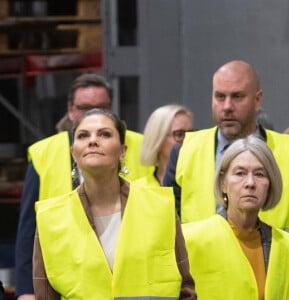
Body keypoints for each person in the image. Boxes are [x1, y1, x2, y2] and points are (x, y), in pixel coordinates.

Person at [32, 108, 196, 300]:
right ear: (73, 153)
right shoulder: (50, 217)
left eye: (104, 134)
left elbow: (186, 288)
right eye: (83, 135)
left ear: (122, 151)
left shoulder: (160, 207)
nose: (93, 140)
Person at [15, 73, 152, 300]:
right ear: (70, 111)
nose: (93, 114)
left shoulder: (142, 147)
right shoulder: (43, 153)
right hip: (67, 277)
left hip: (130, 276)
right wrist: (25, 291)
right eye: (84, 107)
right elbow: (28, 230)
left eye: (101, 106)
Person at [163, 60, 289, 239]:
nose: (227, 107)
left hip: (274, 262)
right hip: (203, 264)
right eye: (220, 96)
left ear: (257, 100)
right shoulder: (184, 152)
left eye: (237, 97)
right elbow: (169, 228)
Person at [183, 135, 289, 299]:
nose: (250, 183)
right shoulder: (190, 240)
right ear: (223, 183)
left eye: (259, 174)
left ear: (271, 184)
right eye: (240, 173)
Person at [138, 104, 193, 186]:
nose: (188, 139)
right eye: (179, 134)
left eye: (192, 133)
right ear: (157, 140)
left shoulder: (203, 183)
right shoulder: (138, 190)